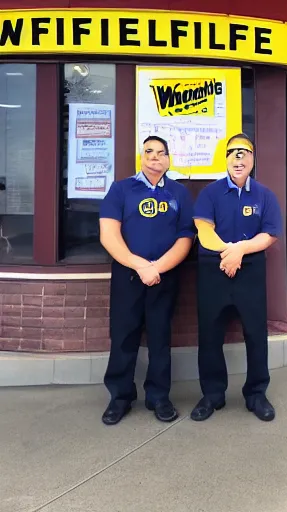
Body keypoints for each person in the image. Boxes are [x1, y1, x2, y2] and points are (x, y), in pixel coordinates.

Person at [98, 135, 195, 426]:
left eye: (161, 152)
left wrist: (158, 268)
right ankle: (120, 398)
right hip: (128, 275)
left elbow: (186, 237)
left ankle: (159, 397)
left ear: (168, 159)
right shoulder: (121, 189)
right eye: (149, 151)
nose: (155, 156)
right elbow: (109, 235)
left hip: (164, 278)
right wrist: (140, 265)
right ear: (141, 156)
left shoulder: (179, 193)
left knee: (160, 338)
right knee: (124, 337)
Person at [191, 133, 283, 422]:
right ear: (226, 159)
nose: (238, 158)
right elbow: (203, 230)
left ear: (253, 158)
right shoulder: (210, 193)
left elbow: (270, 234)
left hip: (250, 273)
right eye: (232, 153)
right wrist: (230, 254)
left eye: (244, 152)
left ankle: (256, 394)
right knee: (209, 335)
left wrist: (240, 250)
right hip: (214, 272)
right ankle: (212, 395)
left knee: (256, 335)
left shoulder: (265, 195)